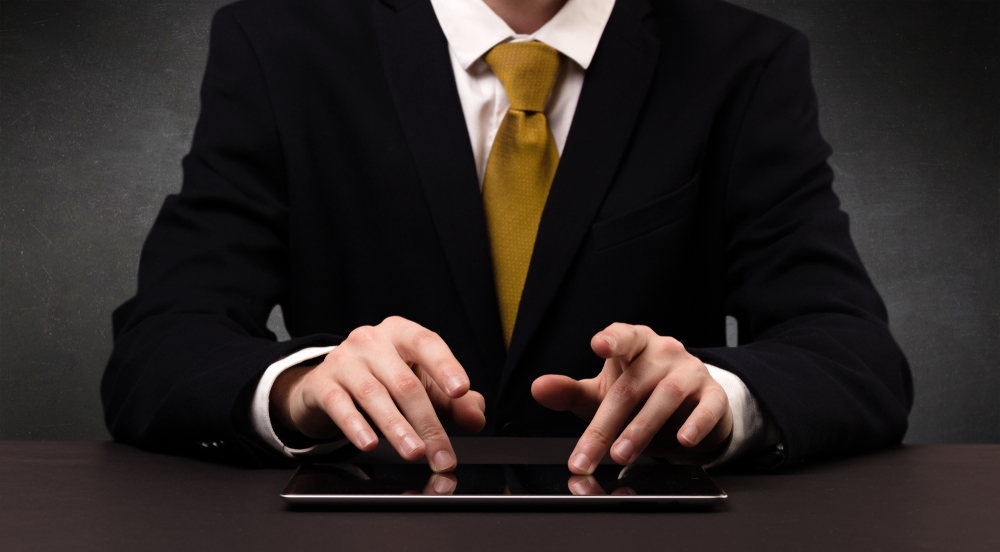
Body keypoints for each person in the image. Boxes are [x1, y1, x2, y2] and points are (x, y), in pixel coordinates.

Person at [102, 0, 913, 472]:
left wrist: (716, 396)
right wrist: (302, 386)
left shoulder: (744, 62)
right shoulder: (280, 47)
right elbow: (159, 347)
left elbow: (854, 354)